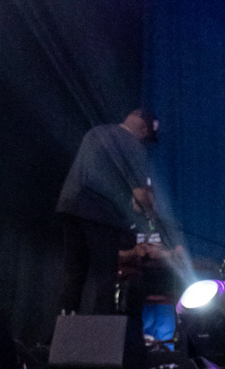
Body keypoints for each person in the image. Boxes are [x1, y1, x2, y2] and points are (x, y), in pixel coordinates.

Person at [56, 108, 159, 316]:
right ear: (143, 130)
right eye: (147, 137)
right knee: (105, 275)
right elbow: (139, 196)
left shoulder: (95, 133)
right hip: (100, 212)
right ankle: (101, 329)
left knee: (74, 271)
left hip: (70, 206)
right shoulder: (134, 146)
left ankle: (66, 321)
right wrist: (151, 210)